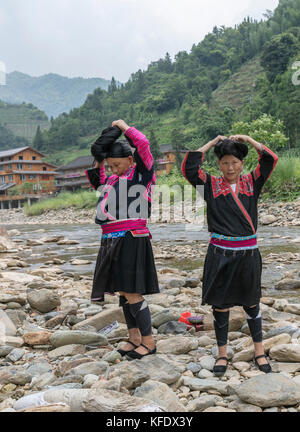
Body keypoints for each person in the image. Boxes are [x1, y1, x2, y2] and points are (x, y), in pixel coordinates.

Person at [181, 134, 278, 376]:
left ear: (242, 163)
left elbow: (269, 158)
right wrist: (212, 143)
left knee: (252, 304)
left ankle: (259, 352)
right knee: (220, 307)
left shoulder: (252, 182)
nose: (230, 167)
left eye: (235, 162)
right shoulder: (210, 186)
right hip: (220, 254)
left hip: (247, 254)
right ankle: (222, 354)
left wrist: (248, 139)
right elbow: (189, 167)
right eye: (224, 163)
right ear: (219, 165)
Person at [85, 119, 159, 360]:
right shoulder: (109, 181)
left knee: (132, 291)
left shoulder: (142, 174)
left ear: (130, 160)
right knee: (123, 292)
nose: (114, 169)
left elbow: (143, 144)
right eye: (111, 165)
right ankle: (134, 337)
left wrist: (124, 128)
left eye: (117, 164)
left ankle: (148, 341)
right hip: (111, 241)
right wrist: (101, 154)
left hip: (131, 239)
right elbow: (97, 171)